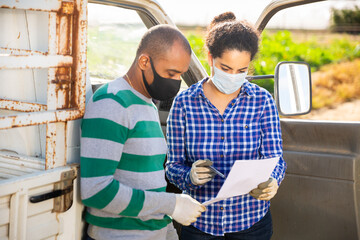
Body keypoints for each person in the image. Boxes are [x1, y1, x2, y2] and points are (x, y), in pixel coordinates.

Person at [165, 12, 286, 240]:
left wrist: (272, 182)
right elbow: (173, 166)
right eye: (226, 68)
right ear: (210, 58)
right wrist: (188, 176)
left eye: (242, 71)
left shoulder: (262, 101)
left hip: (252, 223)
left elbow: (275, 158)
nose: (233, 77)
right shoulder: (183, 103)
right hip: (200, 225)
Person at [80, 24, 206, 240]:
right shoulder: (112, 102)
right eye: (171, 73)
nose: (176, 83)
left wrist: (168, 231)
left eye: (180, 75)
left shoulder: (146, 102)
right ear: (144, 62)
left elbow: (151, 182)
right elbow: (95, 190)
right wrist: (172, 204)